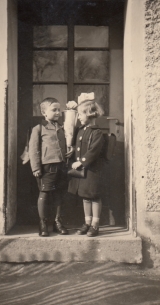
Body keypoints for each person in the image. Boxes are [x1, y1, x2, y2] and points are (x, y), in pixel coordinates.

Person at [29, 97, 73, 237]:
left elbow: (66, 143)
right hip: (46, 167)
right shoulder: (39, 128)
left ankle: (57, 222)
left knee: (60, 193)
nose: (58, 112)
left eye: (59, 110)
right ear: (44, 112)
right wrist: (36, 168)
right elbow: (33, 149)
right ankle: (43, 223)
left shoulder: (62, 128)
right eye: (54, 110)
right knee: (45, 193)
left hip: (61, 165)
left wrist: (70, 150)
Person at [68, 96, 105, 237]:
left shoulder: (97, 132)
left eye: (81, 114)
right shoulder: (81, 130)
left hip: (92, 170)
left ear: (90, 114)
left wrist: (81, 162)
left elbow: (93, 151)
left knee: (94, 196)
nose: (78, 117)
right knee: (85, 196)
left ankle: (95, 225)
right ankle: (87, 223)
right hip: (82, 170)